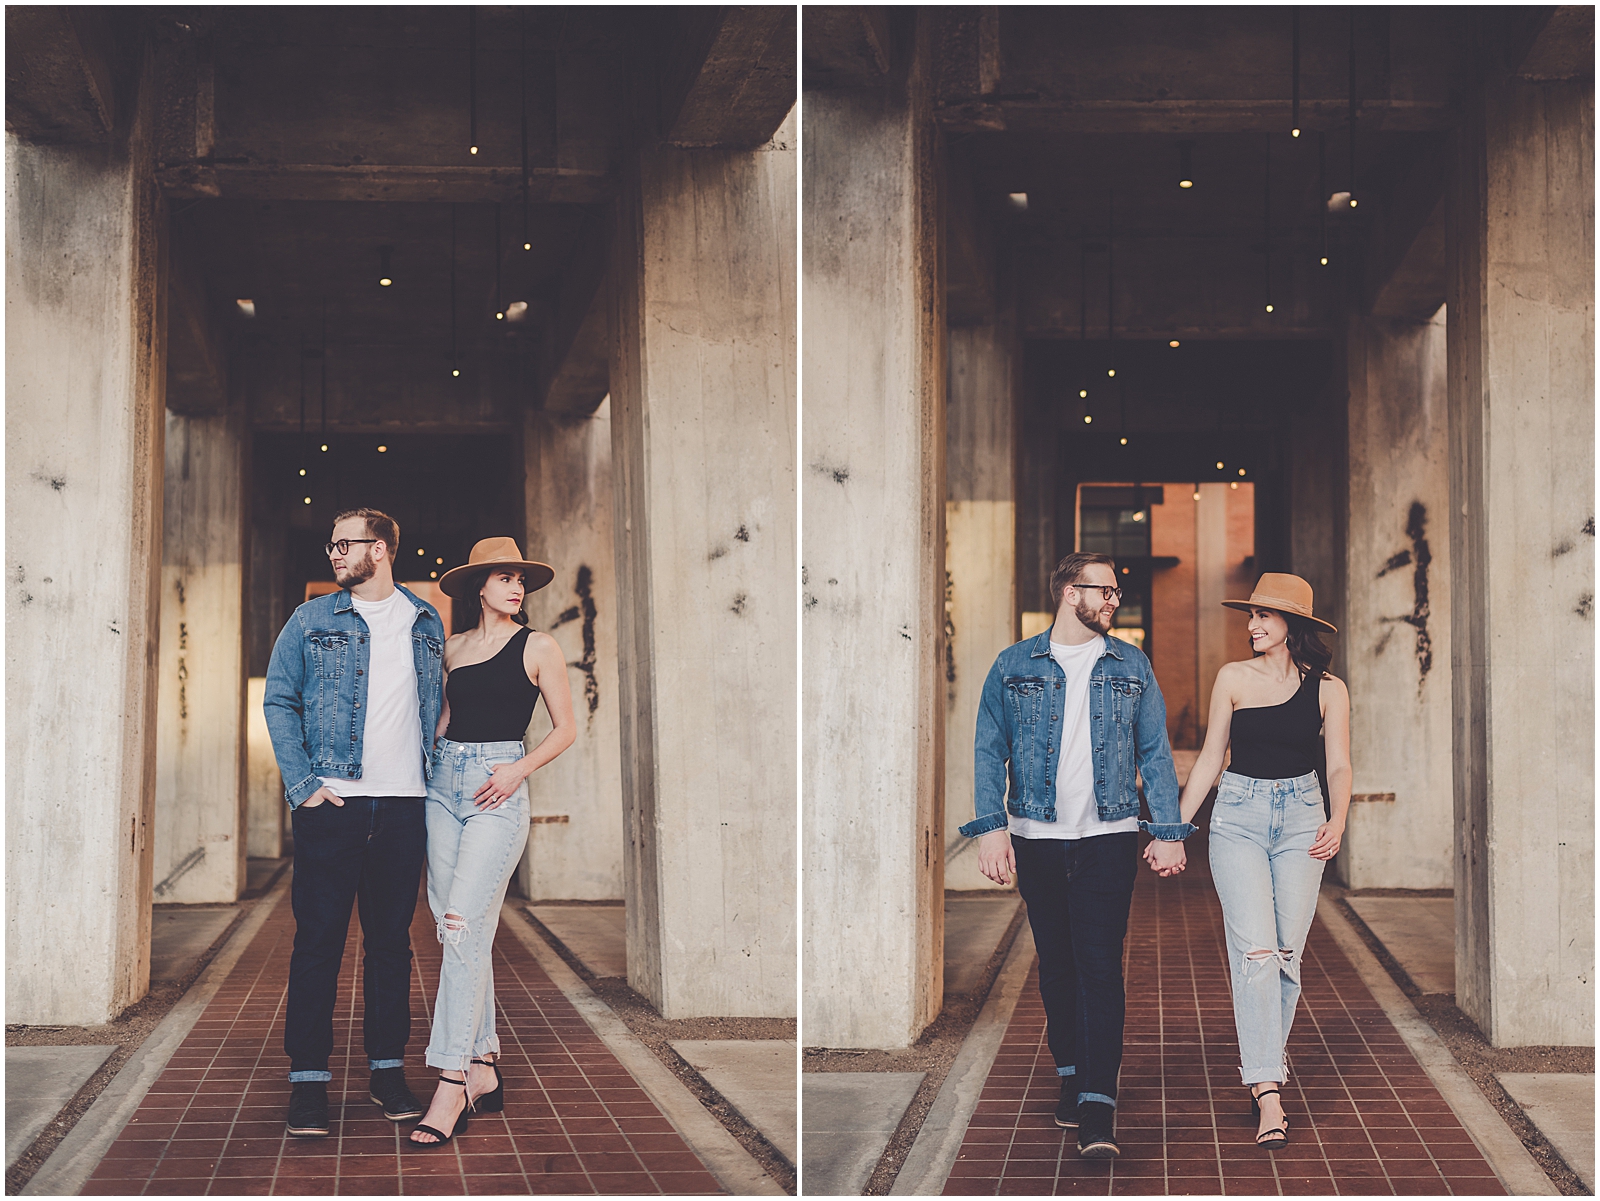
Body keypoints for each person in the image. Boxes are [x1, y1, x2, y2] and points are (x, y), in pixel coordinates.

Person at [961, 552, 1194, 1159]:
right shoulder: (1014, 665)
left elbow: (1155, 753)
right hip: (1036, 840)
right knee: (1056, 965)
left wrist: (1167, 830)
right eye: (1105, 591)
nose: (1114, 600)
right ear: (1070, 592)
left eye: (1118, 591)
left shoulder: (1130, 664)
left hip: (1108, 838)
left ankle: (1098, 1102)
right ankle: (1069, 1072)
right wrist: (992, 830)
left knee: (1098, 966)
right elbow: (990, 750)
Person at [263, 508, 445, 1137]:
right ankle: (308, 1080)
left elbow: (435, 706)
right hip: (332, 807)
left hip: (404, 806)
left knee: (392, 945)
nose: (335, 554)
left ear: (384, 548)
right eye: (331, 544)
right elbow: (279, 697)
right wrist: (304, 785)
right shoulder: (311, 619)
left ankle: (387, 1071)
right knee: (318, 944)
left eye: (347, 544)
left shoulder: (426, 620)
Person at [1153, 572, 1350, 1151]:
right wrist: (1174, 829)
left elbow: (1338, 764)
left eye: (1264, 616)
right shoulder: (1232, 678)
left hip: (1304, 818)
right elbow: (1213, 756)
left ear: (1294, 625)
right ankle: (1268, 1089)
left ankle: (1265, 1051)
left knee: (1287, 954)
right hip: (1237, 816)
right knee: (1258, 954)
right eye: (1251, 616)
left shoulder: (1329, 689)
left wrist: (1337, 820)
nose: (1253, 625)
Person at [408, 537, 576, 1147]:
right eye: (504, 577)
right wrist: (425, 773)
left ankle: (451, 1080)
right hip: (443, 785)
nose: (516, 587)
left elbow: (566, 728)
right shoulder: (453, 649)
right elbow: (446, 721)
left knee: (461, 923)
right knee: (456, 930)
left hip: (497, 788)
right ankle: (483, 1067)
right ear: (478, 586)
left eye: (520, 580)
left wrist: (517, 770)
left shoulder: (539, 646)